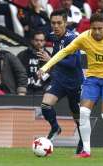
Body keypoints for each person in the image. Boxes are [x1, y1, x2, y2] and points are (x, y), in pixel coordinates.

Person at [38, 13, 103, 158]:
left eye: (99, 29)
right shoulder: (84, 37)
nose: (96, 32)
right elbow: (64, 51)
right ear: (90, 27)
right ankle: (86, 151)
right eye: (93, 29)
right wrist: (46, 67)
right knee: (83, 113)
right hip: (92, 79)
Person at [36, 9, 84, 154]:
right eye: (53, 23)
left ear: (65, 23)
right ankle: (56, 127)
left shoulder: (72, 39)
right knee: (45, 105)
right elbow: (39, 34)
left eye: (59, 23)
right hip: (60, 80)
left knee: (77, 116)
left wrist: (50, 60)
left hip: (75, 83)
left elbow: (73, 62)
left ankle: (83, 142)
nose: (55, 26)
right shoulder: (53, 35)